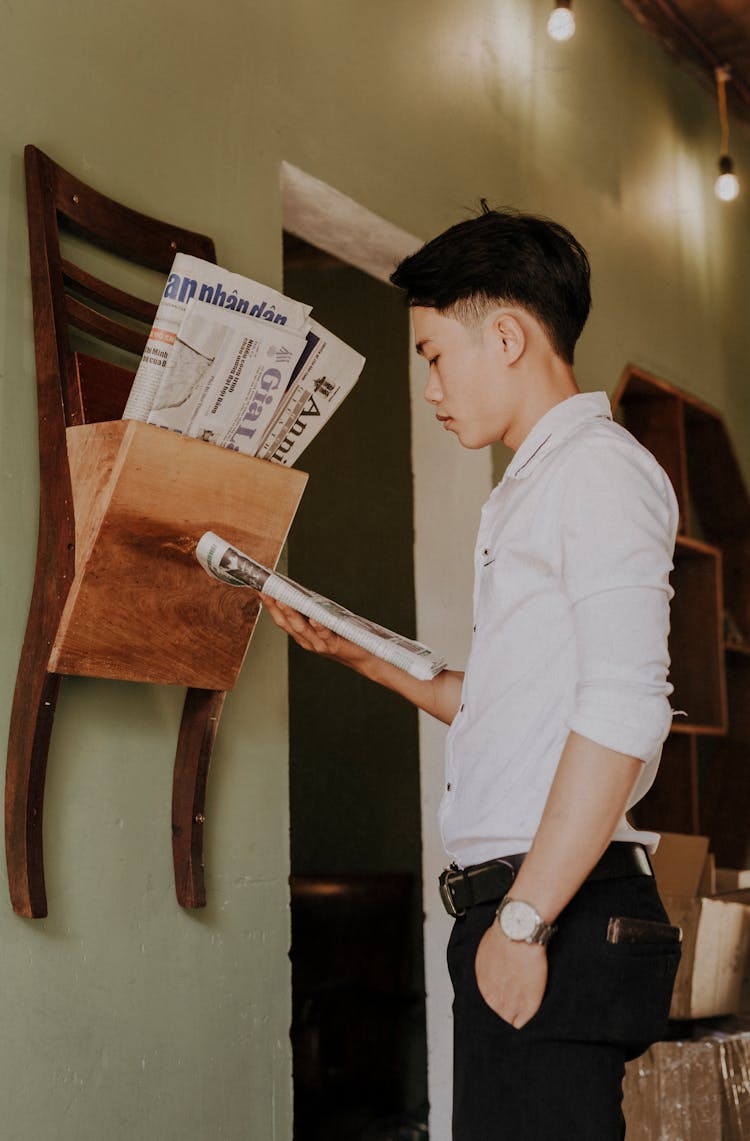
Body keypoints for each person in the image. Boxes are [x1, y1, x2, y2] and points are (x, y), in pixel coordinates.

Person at [262, 206, 681, 1140]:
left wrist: (525, 920)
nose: (431, 387)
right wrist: (356, 650)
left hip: (551, 910)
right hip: (517, 909)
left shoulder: (598, 474)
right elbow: (500, 704)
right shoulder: (530, 488)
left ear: (506, 334)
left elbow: (623, 713)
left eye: (433, 354)